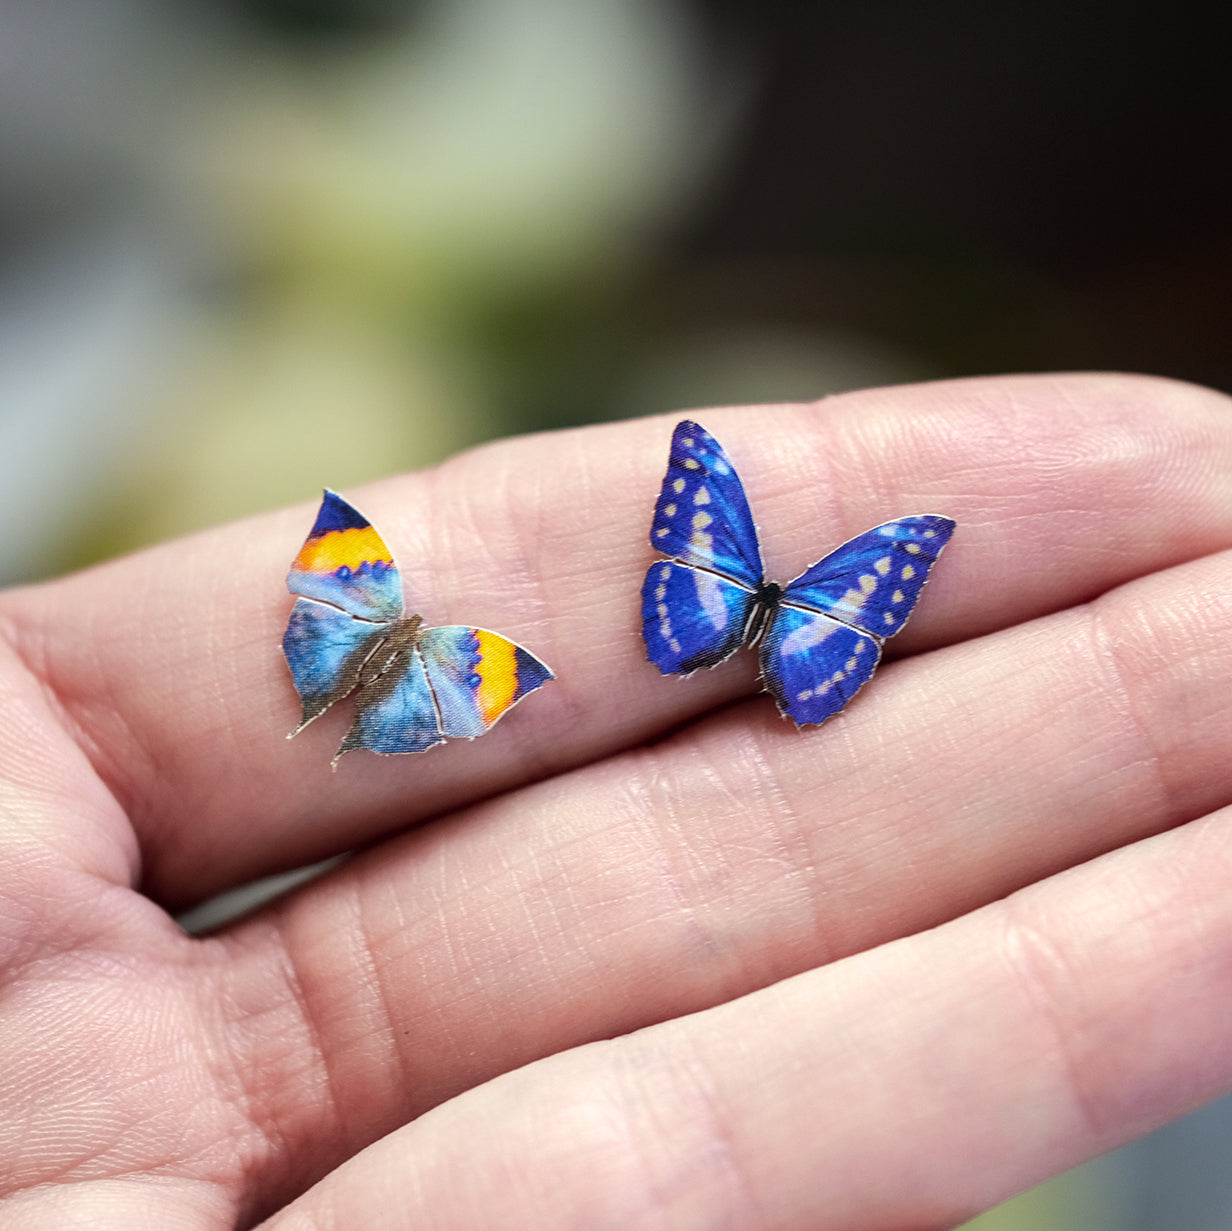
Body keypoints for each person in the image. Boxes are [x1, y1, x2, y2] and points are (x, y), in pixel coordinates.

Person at [2, 371, 1231, 1230]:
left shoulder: (445, 603)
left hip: (694, 602)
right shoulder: (483, 651)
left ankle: (379, 691)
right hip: (794, 632)